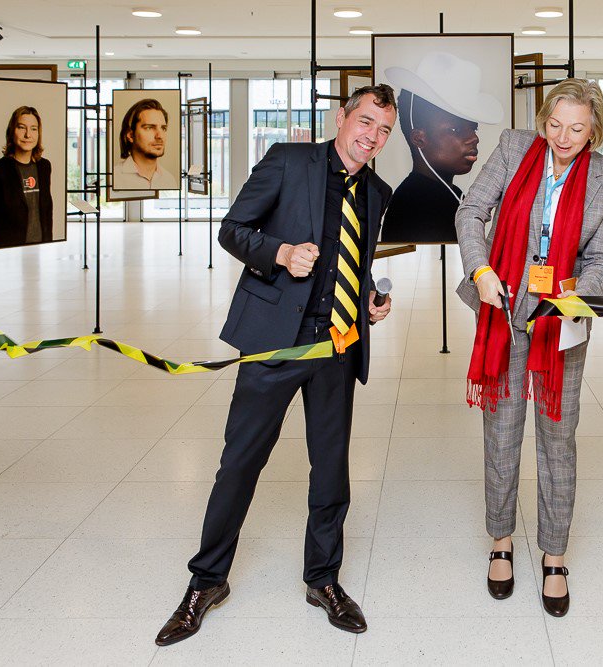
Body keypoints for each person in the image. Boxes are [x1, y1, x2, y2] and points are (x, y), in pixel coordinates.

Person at [155, 85, 397, 646]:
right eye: (365, 122)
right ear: (342, 118)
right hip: (273, 343)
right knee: (239, 464)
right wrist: (281, 254)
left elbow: (353, 265)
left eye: (383, 131)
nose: (372, 137)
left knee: (332, 469)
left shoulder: (377, 192)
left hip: (335, 346)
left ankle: (323, 579)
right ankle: (207, 580)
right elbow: (233, 230)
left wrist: (367, 303)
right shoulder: (289, 161)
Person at [455, 78, 603, 617]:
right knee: (502, 429)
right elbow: (471, 213)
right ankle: (501, 542)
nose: (563, 137)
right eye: (555, 124)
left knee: (558, 437)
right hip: (502, 310)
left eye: (577, 128)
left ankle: (555, 553)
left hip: (561, 322)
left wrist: (574, 296)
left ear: (594, 129)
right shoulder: (513, 149)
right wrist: (481, 270)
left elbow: (602, 258)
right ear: (543, 118)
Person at [381, 51, 503, 243]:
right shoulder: (415, 206)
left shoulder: (450, 194)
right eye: (455, 129)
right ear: (419, 138)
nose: (473, 138)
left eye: (474, 128)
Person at [0, 106, 53, 250]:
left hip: (41, 250)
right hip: (7, 253)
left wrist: (50, 245)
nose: (28, 135)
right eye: (22, 127)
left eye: (34, 129)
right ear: (12, 131)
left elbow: (46, 212)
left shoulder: (44, 167)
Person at [113, 98, 179, 190]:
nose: (160, 136)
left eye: (163, 128)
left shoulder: (169, 180)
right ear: (131, 136)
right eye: (149, 128)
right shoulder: (114, 178)